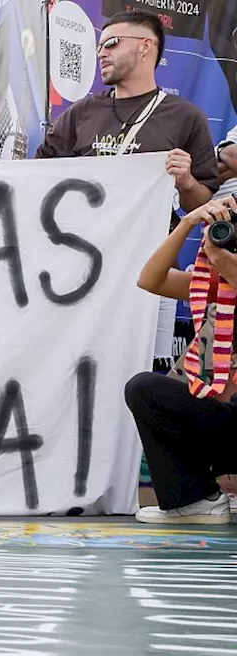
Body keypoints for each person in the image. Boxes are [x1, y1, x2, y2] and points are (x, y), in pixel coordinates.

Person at [35, 10, 217, 210]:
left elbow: (199, 203)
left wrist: (186, 181)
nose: (102, 53)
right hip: (83, 238)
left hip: (152, 239)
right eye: (99, 47)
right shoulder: (81, 112)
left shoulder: (186, 117)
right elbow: (39, 173)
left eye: (112, 43)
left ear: (145, 46)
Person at [128, 195, 237, 524]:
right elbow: (150, 280)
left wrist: (227, 265)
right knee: (145, 389)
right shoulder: (222, 285)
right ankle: (194, 500)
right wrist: (189, 222)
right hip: (227, 424)